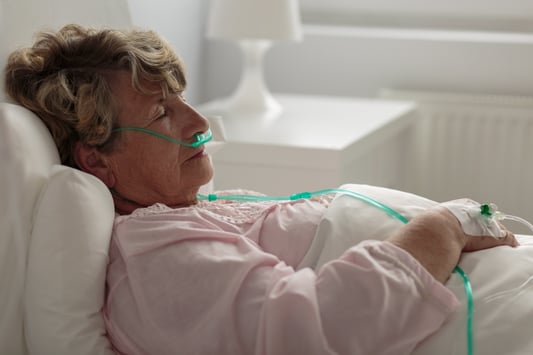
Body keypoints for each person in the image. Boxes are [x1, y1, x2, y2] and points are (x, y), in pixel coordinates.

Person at [4, 24, 518, 355]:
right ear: (98, 160)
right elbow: (320, 329)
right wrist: (440, 227)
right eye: (162, 112)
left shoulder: (184, 213)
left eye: (181, 99)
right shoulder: (155, 257)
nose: (199, 120)